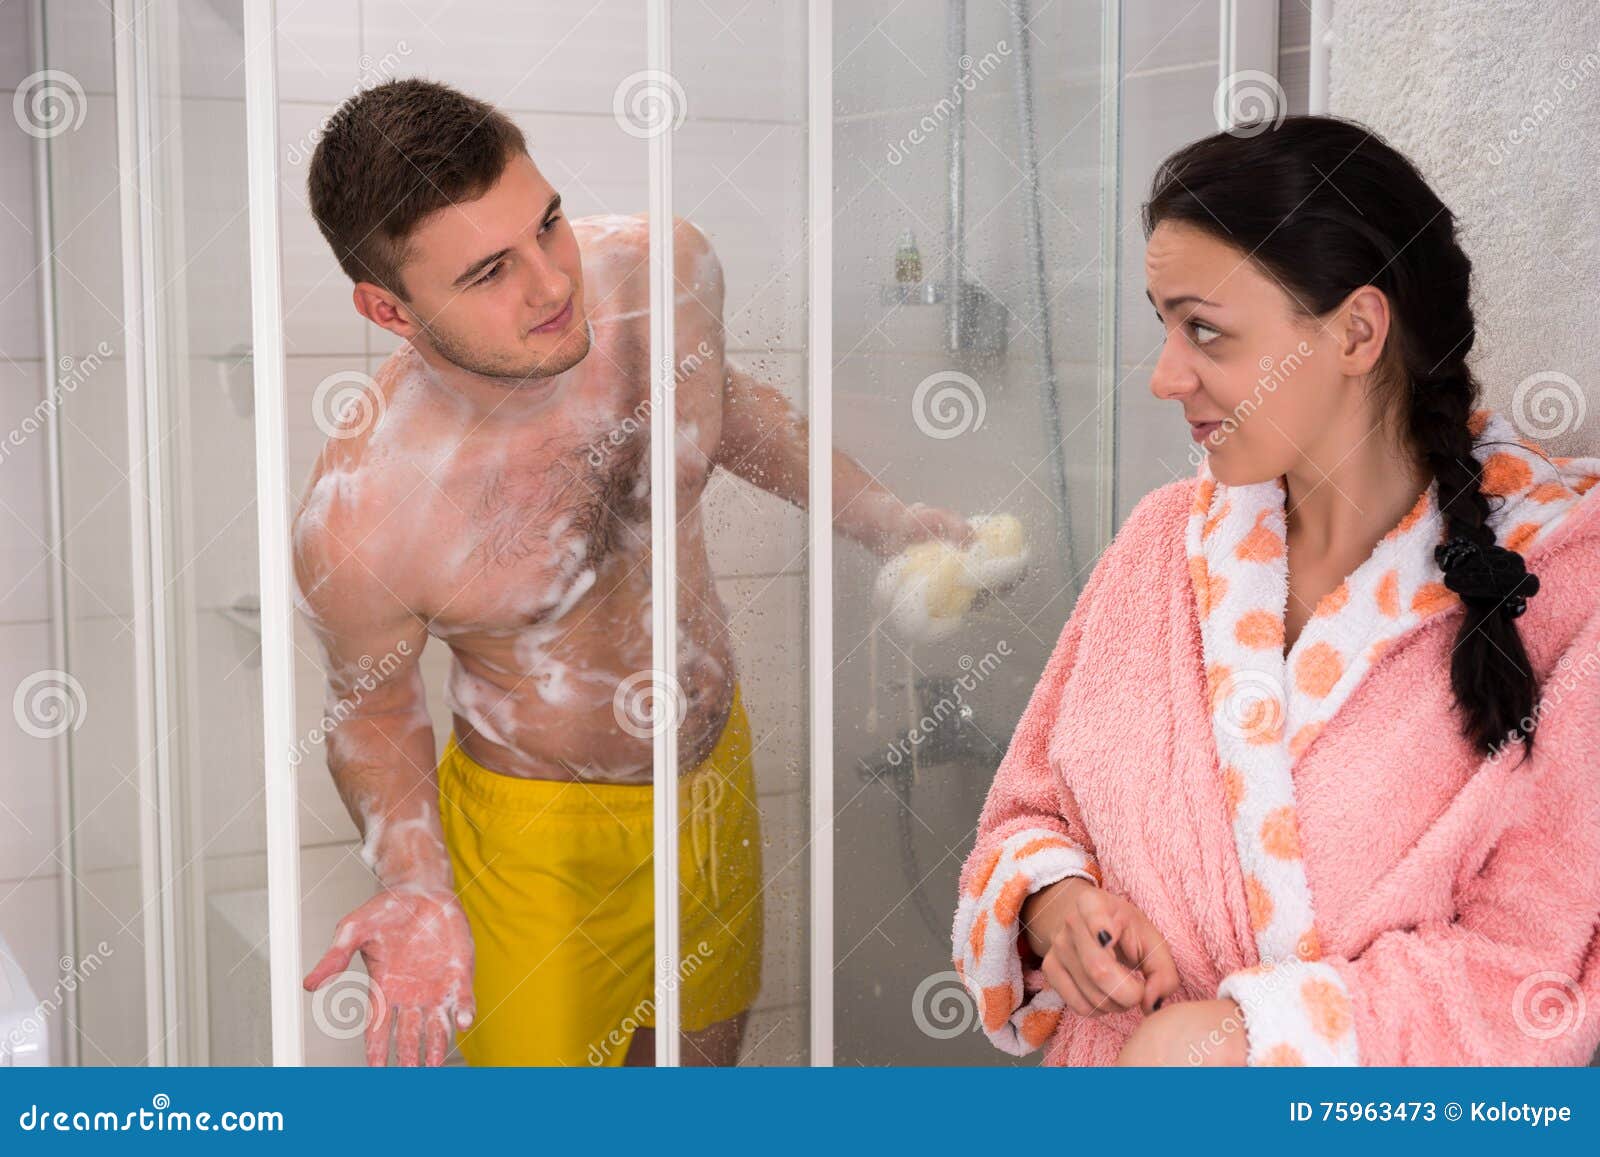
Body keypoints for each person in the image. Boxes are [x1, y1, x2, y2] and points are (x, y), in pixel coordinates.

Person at [294, 78, 973, 1067]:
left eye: (549, 223)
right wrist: (414, 885)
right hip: (541, 845)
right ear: (387, 309)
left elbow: (727, 412)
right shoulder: (368, 513)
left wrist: (887, 520)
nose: (551, 283)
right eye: (488, 270)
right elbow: (370, 712)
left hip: (709, 780)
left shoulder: (661, 276)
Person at [953, 114, 1600, 1067]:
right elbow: (1029, 809)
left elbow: (1541, 971)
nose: (1166, 376)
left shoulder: (1563, 583)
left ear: (1355, 332)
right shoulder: (1162, 544)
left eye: (1205, 331)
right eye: (1164, 325)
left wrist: (1248, 1039)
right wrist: (1055, 905)